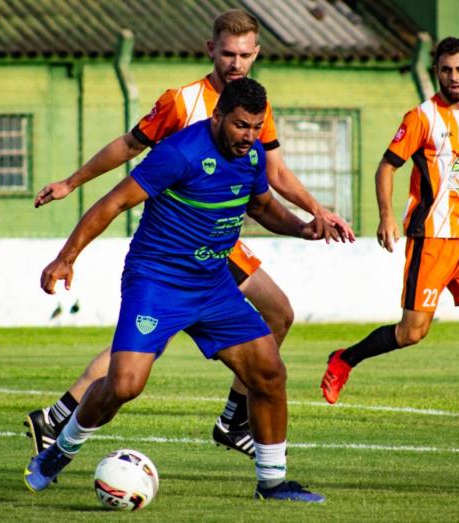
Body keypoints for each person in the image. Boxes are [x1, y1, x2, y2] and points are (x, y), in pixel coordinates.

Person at [24, 8, 354, 458]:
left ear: (256, 54)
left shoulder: (256, 107)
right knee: (150, 348)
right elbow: (128, 146)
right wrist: (72, 182)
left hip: (221, 238)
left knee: (276, 313)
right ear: (211, 50)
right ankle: (68, 413)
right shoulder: (183, 102)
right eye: (228, 54)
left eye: (244, 55)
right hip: (174, 243)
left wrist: (316, 211)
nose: (235, 63)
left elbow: (272, 171)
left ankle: (228, 417)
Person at [320, 37, 459, 429]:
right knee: (411, 332)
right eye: (446, 69)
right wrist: (386, 217)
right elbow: (386, 168)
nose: (454, 77)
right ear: (437, 71)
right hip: (431, 239)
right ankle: (344, 359)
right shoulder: (421, 117)